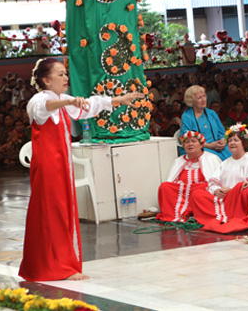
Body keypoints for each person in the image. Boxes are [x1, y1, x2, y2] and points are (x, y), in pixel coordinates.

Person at [20, 58, 143, 281]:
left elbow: (89, 105)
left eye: (65, 73)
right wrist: (68, 103)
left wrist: (119, 99)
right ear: (46, 80)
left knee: (65, 213)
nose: (65, 77)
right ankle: (51, 266)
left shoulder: (64, 100)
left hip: (63, 167)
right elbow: (44, 109)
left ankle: (63, 264)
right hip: (48, 168)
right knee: (51, 212)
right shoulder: (38, 100)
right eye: (60, 74)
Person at [189, 124, 248, 233]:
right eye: (230, 141)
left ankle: (231, 216)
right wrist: (217, 190)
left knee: (242, 187)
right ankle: (219, 216)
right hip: (223, 199)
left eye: (236, 140)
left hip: (239, 199)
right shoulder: (225, 163)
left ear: (243, 143)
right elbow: (213, 182)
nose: (232, 143)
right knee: (197, 194)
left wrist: (231, 190)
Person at [156, 131, 222, 223]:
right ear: (183, 146)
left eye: (193, 141)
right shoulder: (178, 161)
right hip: (183, 193)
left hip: (201, 191)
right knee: (165, 186)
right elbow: (171, 181)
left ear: (201, 144)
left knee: (202, 189)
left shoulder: (212, 158)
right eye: (187, 142)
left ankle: (196, 213)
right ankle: (176, 215)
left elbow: (216, 182)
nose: (190, 144)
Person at [180, 85, 231, 161]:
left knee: (234, 154)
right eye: (199, 98)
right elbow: (187, 139)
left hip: (218, 146)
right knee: (213, 159)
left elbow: (222, 132)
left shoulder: (211, 113)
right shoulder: (187, 116)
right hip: (200, 148)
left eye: (204, 96)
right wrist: (208, 145)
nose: (203, 100)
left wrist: (223, 140)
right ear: (191, 101)